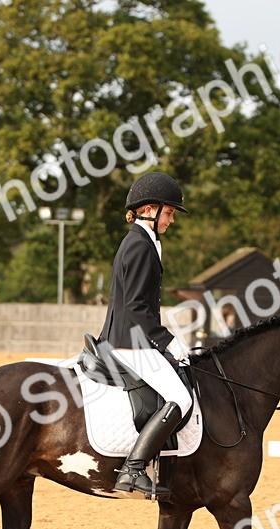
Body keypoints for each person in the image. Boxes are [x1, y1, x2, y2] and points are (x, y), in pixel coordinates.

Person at [98, 172, 193, 498]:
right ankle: (133, 469)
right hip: (130, 342)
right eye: (169, 213)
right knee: (180, 398)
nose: (172, 220)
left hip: (131, 338)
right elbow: (137, 307)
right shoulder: (140, 245)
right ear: (150, 209)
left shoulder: (141, 242)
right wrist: (167, 341)